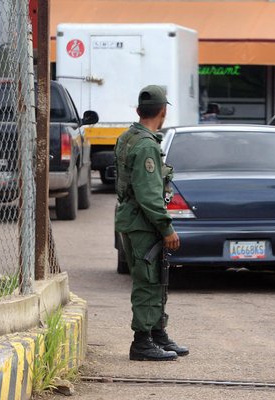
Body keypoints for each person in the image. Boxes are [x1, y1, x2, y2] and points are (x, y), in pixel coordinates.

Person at [114, 85, 188, 361]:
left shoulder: (128, 137)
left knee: (157, 278)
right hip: (143, 223)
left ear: (138, 110)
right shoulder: (145, 145)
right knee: (147, 281)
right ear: (163, 111)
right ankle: (142, 343)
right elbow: (148, 194)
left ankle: (157, 334)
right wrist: (166, 227)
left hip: (133, 220)